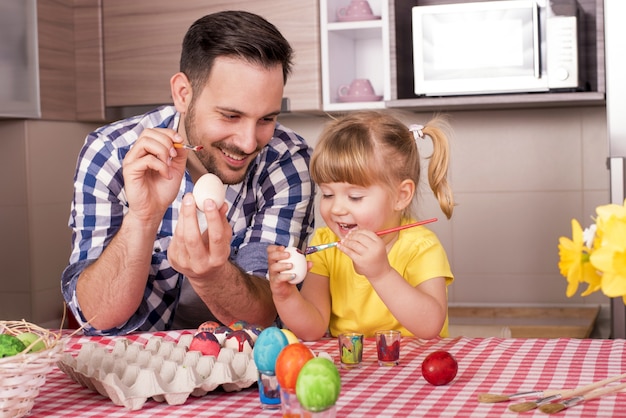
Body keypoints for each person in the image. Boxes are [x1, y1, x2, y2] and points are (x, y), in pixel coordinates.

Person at [61, 11, 315, 336]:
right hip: (131, 366)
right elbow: (97, 315)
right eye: (231, 115)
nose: (249, 142)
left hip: (243, 368)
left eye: (266, 119)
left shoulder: (285, 160)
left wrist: (211, 275)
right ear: (183, 93)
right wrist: (143, 217)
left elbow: (267, 310)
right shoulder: (111, 153)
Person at [268, 110, 454, 341]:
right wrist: (286, 296)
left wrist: (381, 273)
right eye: (327, 194)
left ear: (400, 196)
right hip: (354, 370)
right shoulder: (325, 244)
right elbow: (313, 329)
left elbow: (429, 326)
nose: (336, 209)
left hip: (415, 368)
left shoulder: (421, 247)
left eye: (355, 197)